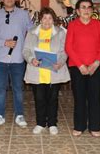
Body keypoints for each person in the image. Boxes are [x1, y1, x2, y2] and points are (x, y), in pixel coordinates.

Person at [0, 0, 33, 128]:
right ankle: (0, 115)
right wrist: (4, 43)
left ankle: (19, 115)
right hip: (0, 59)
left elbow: (31, 32)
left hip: (18, 59)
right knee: (0, 88)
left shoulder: (24, 14)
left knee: (18, 88)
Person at [23, 7, 70, 135]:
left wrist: (60, 63)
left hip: (54, 70)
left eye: (50, 18)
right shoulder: (32, 32)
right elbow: (26, 50)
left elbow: (64, 51)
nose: (47, 21)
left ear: (53, 19)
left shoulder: (60, 32)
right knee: (39, 98)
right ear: (40, 19)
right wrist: (31, 59)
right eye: (44, 18)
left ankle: (53, 123)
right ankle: (40, 123)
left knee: (53, 98)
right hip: (37, 70)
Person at [65, 0, 100, 137]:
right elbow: (68, 47)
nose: (86, 10)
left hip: (95, 67)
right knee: (80, 97)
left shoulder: (97, 24)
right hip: (78, 67)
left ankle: (94, 126)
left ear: (92, 10)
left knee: (94, 97)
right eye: (83, 7)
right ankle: (79, 126)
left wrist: (96, 63)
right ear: (77, 11)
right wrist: (80, 65)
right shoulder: (72, 25)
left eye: (89, 7)